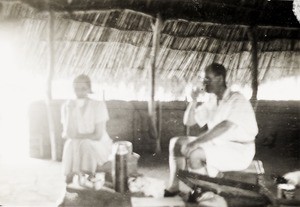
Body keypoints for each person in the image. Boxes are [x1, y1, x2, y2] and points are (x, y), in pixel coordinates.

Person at [165, 63, 258, 196]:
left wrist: (195, 142)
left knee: (195, 154)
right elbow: (188, 122)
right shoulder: (213, 100)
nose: (204, 82)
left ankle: (201, 193)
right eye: (204, 79)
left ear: (220, 79)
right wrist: (194, 100)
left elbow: (224, 126)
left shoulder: (237, 99)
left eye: (207, 79)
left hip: (239, 151)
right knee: (176, 142)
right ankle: (173, 187)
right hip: (218, 144)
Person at [61, 74, 113, 186]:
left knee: (84, 143)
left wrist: (76, 137)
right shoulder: (68, 106)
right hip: (78, 143)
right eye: (76, 89)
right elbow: (68, 134)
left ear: (89, 89)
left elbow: (98, 135)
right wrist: (70, 111)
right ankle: (71, 180)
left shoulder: (98, 105)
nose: (79, 92)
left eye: (83, 89)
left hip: (99, 145)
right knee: (70, 144)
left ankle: (88, 177)